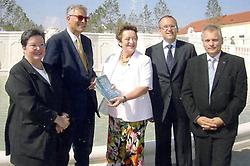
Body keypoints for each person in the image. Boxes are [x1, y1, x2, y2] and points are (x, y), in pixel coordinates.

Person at [181, 24, 247, 166]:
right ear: (203, 42)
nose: (211, 44)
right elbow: (186, 94)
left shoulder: (236, 63)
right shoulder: (193, 64)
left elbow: (240, 97)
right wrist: (197, 118)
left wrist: (222, 119)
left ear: (221, 41)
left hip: (225, 128)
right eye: (207, 40)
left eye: (215, 40)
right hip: (201, 127)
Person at [4, 29, 70, 166]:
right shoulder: (18, 73)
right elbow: (29, 105)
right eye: (33, 45)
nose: (38, 49)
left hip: (54, 141)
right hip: (31, 146)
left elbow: (63, 97)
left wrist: (64, 117)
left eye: (42, 44)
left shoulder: (51, 70)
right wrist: (56, 119)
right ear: (24, 48)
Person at [43, 4, 98, 166]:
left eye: (85, 18)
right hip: (68, 109)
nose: (83, 21)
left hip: (88, 106)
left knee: (84, 151)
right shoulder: (56, 41)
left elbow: (88, 68)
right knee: (62, 152)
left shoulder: (86, 42)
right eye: (79, 17)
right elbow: (50, 77)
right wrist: (57, 113)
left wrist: (93, 77)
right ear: (68, 19)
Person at [145, 15, 197, 166]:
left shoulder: (188, 49)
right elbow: (150, 81)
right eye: (165, 27)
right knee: (162, 145)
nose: (169, 29)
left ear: (177, 28)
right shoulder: (151, 51)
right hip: (160, 106)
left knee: (183, 144)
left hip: (182, 106)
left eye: (172, 26)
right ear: (160, 30)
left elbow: (194, 78)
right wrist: (150, 109)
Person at [101, 24, 153, 166]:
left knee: (133, 155)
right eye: (127, 39)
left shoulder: (144, 60)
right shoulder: (110, 60)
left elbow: (144, 87)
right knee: (113, 152)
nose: (131, 41)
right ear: (119, 41)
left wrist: (123, 98)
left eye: (134, 38)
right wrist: (99, 85)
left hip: (136, 115)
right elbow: (104, 81)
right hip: (115, 113)